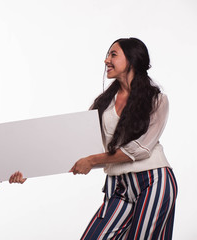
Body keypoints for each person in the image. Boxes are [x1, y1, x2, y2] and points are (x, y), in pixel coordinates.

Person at [69, 38, 177, 239]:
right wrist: (26, 168)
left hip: (153, 180)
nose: (106, 60)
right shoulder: (102, 104)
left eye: (113, 54)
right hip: (119, 187)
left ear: (132, 59)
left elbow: (140, 149)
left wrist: (92, 161)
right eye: (107, 54)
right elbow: (81, 143)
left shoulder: (157, 100)